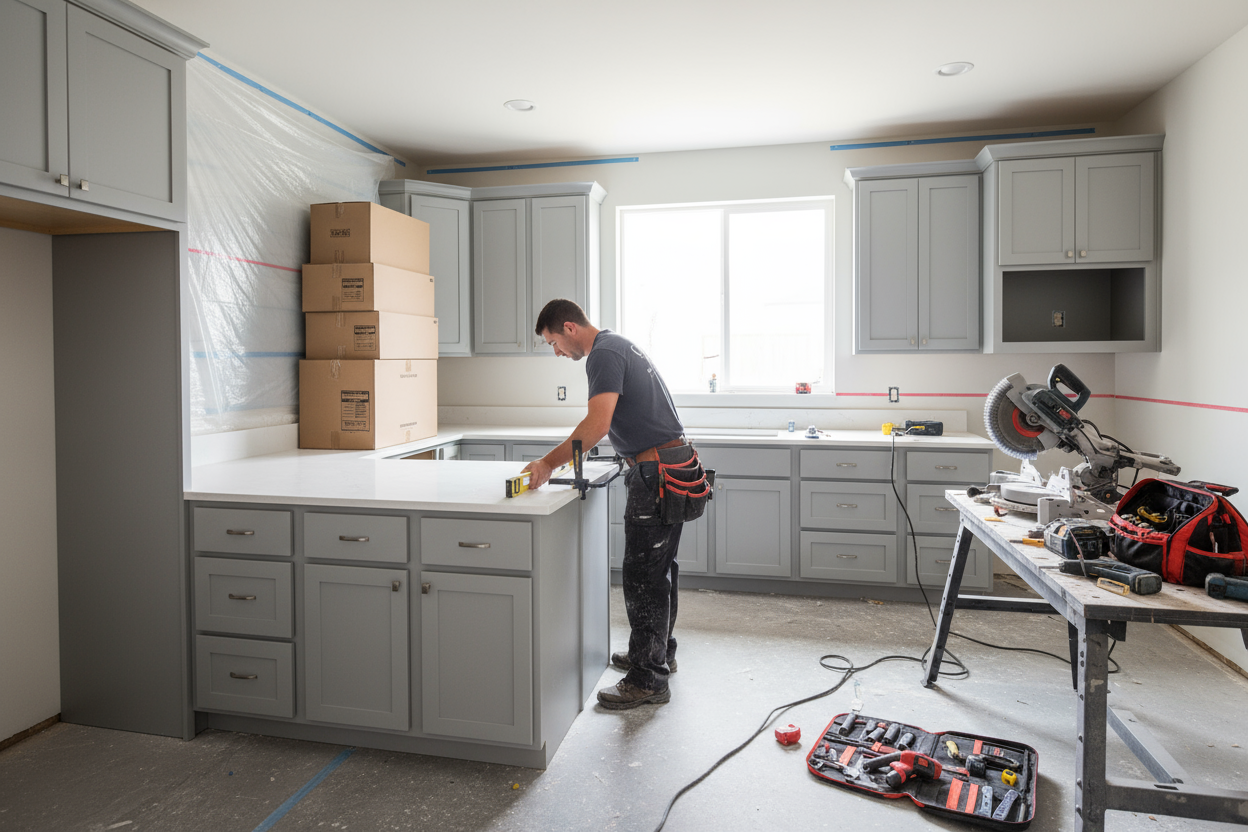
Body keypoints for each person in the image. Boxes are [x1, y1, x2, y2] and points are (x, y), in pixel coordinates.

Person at [522, 298, 706, 710]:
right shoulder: (618, 344)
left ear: (570, 328)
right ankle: (658, 654)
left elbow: (596, 424)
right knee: (659, 572)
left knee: (643, 577)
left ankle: (647, 679)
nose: (556, 352)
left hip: (657, 472)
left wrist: (547, 465)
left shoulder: (601, 353)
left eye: (553, 342)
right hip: (670, 464)